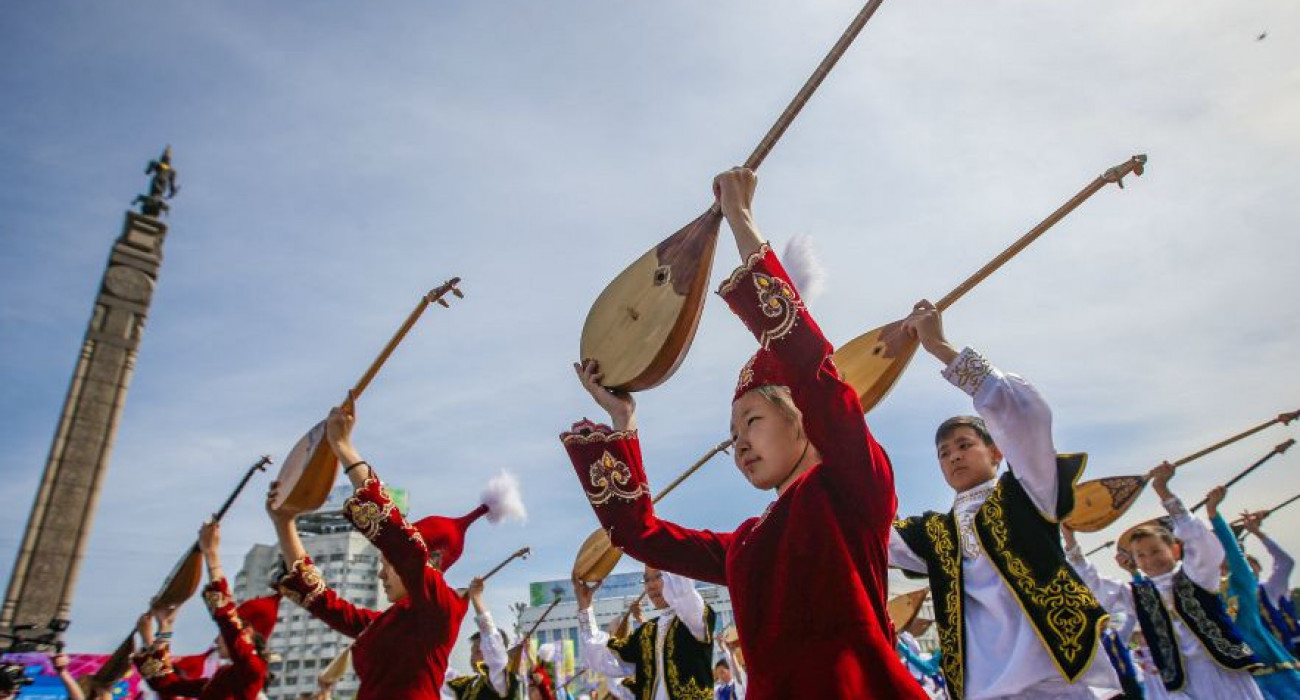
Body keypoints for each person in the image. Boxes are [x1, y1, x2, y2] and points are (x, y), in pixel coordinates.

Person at [561, 168, 924, 699]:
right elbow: (639, 534)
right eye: (733, 436)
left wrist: (742, 221)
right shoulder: (746, 545)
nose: (740, 444)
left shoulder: (851, 488)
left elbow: (815, 374)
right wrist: (624, 423)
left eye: (751, 422)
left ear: (801, 418)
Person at [889, 303, 1120, 700]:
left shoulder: (1027, 492)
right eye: (944, 453)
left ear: (996, 453)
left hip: (1056, 679)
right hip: (982, 690)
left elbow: (1025, 417)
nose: (954, 456)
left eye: (964, 445)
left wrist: (942, 348)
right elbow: (867, 534)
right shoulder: (936, 532)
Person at [268, 405, 524, 700]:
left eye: (388, 563)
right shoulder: (390, 622)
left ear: (434, 561)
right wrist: (284, 521)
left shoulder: (443, 608)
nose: (381, 573)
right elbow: (324, 602)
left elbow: (405, 548)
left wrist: (344, 448)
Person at [1064, 463, 1264, 698]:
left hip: (1224, 672)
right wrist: (1069, 535)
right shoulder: (1136, 594)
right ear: (1135, 561)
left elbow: (1198, 539)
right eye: (1141, 555)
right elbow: (1090, 581)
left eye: (1156, 551)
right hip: (1179, 683)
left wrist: (1162, 490)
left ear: (1175, 550)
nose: (1150, 559)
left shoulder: (1195, 576)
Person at [133, 521, 278, 700]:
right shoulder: (225, 677)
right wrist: (164, 627)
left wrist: (211, 554)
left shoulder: (253, 670)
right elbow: (165, 684)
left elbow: (228, 624)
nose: (216, 641)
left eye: (221, 636)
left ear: (246, 632)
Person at [1203, 486, 1300, 699]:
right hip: (1237, 675)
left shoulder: (1250, 585)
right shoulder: (1205, 594)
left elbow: (1283, 563)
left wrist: (1214, 515)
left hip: (1275, 665)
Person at [574, 567, 713, 700]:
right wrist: (585, 608)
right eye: (646, 580)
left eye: (658, 576)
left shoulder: (694, 620)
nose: (651, 586)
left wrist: (665, 552)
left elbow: (685, 595)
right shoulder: (646, 632)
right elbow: (605, 657)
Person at [444, 577, 516, 700]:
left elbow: (491, 641)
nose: (473, 656)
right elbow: (442, 670)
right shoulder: (466, 684)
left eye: (478, 651)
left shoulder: (500, 682)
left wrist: (476, 599)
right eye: (472, 651)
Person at [1241, 511, 1300, 656]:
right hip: (1260, 657)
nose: (1246, 569)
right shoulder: (1228, 593)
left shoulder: (1269, 588)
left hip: (1291, 651)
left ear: (1259, 567)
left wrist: (1256, 532)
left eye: (1250, 564)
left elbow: (1286, 563)